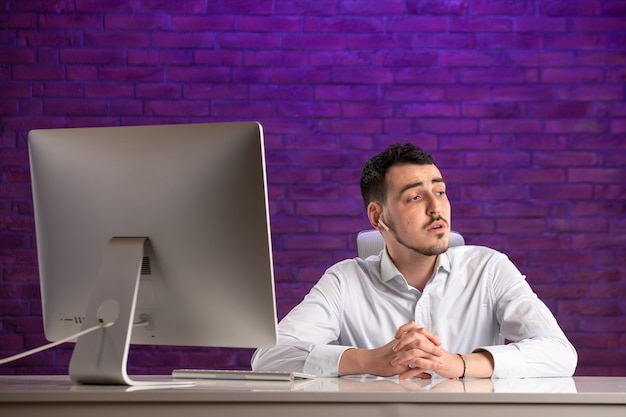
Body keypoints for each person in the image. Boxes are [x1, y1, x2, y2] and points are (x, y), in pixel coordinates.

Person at [252, 143, 577, 379]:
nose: (437, 208)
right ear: (378, 217)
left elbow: (559, 353)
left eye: (441, 191)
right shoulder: (344, 281)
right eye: (416, 197)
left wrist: (459, 364)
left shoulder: (488, 269)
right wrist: (368, 361)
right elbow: (268, 357)